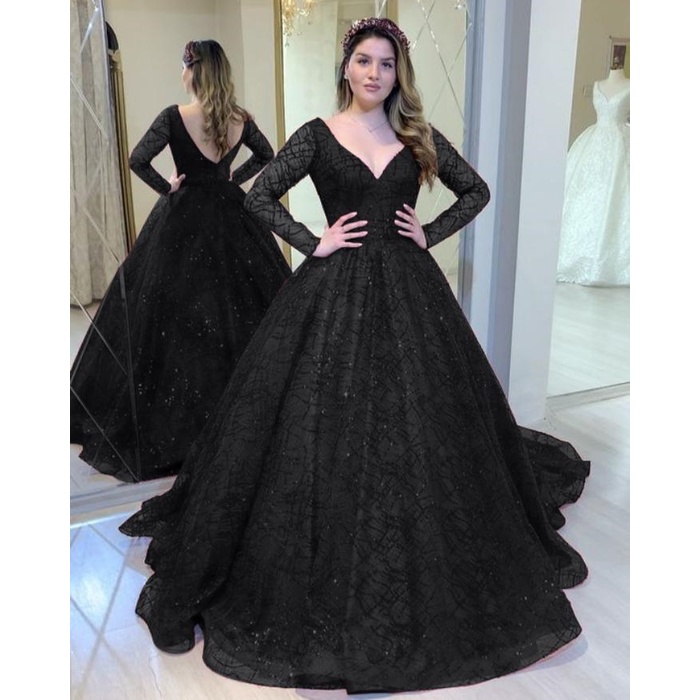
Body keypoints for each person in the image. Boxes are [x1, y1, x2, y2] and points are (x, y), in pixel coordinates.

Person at [120, 19, 590, 692]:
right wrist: (312, 240)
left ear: (398, 74)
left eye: (387, 64)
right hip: (332, 290)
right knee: (316, 417)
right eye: (365, 61)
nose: (375, 73)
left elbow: (477, 190)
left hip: (409, 288)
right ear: (347, 67)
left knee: (422, 418)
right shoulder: (317, 134)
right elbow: (258, 195)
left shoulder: (414, 135)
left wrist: (428, 232)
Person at [70, 40, 291, 482]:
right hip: (230, 212)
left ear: (193, 71)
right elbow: (267, 155)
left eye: (182, 66)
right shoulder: (239, 119)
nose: (180, 73)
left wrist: (168, 187)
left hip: (183, 214)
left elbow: (137, 160)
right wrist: (232, 177)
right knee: (238, 311)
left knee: (164, 315)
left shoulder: (175, 116)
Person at [556, 64, 630, 286]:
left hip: (620, 141)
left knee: (618, 193)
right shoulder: (597, 85)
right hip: (595, 142)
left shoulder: (631, 85)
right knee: (586, 195)